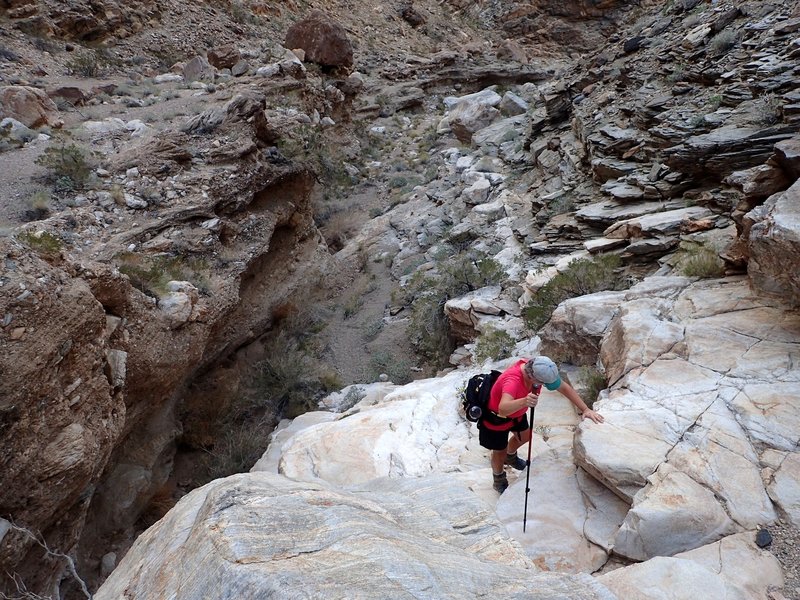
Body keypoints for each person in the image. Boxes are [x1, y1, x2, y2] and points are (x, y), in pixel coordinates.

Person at [479, 355, 604, 493]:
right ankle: (499, 479)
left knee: (525, 437)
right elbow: (503, 407)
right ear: (533, 378)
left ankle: (510, 456)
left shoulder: (539, 367)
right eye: (543, 383)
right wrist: (524, 401)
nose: (545, 386)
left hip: (517, 414)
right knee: (499, 451)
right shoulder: (513, 381)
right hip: (496, 418)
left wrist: (585, 409)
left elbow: (564, 388)